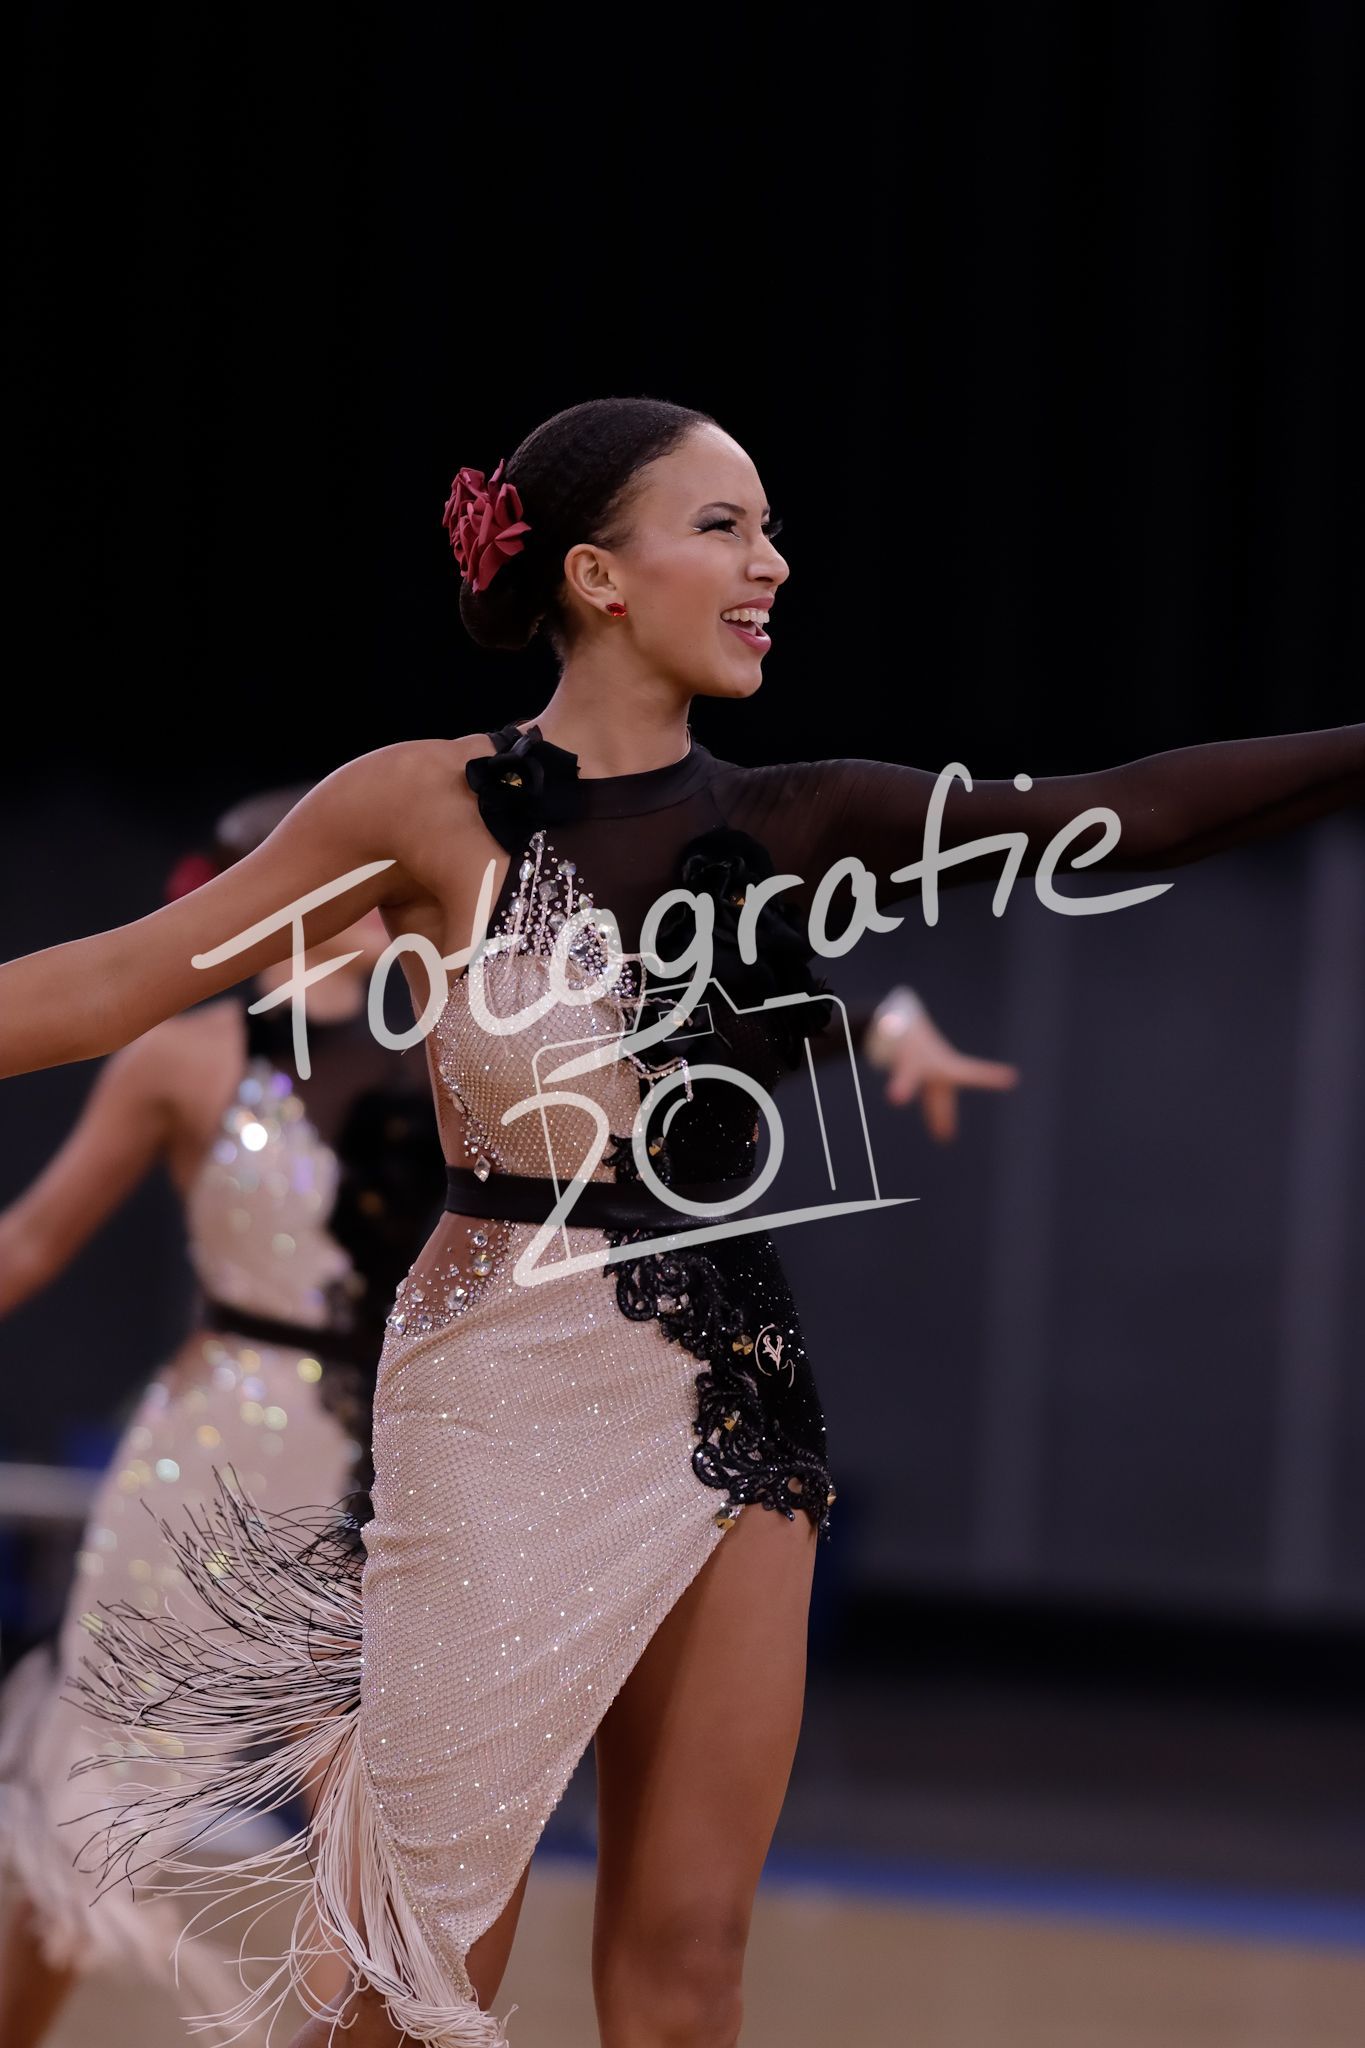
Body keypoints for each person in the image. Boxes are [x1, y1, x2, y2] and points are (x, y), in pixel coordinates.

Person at [0, 396, 1360, 2048]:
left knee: (688, 1974)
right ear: (595, 575)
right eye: (723, 525)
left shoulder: (799, 820)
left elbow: (1127, 810)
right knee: (412, 1969)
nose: (769, 562)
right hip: (492, 1393)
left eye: (770, 529)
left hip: (731, 1387)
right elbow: (117, 979)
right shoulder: (422, 804)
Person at [0, 788, 447, 2048]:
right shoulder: (183, 1056)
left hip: (385, 1469)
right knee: (85, 1823)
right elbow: (30, 1239)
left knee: (377, 1830)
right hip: (216, 1459)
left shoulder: (446, 1057)